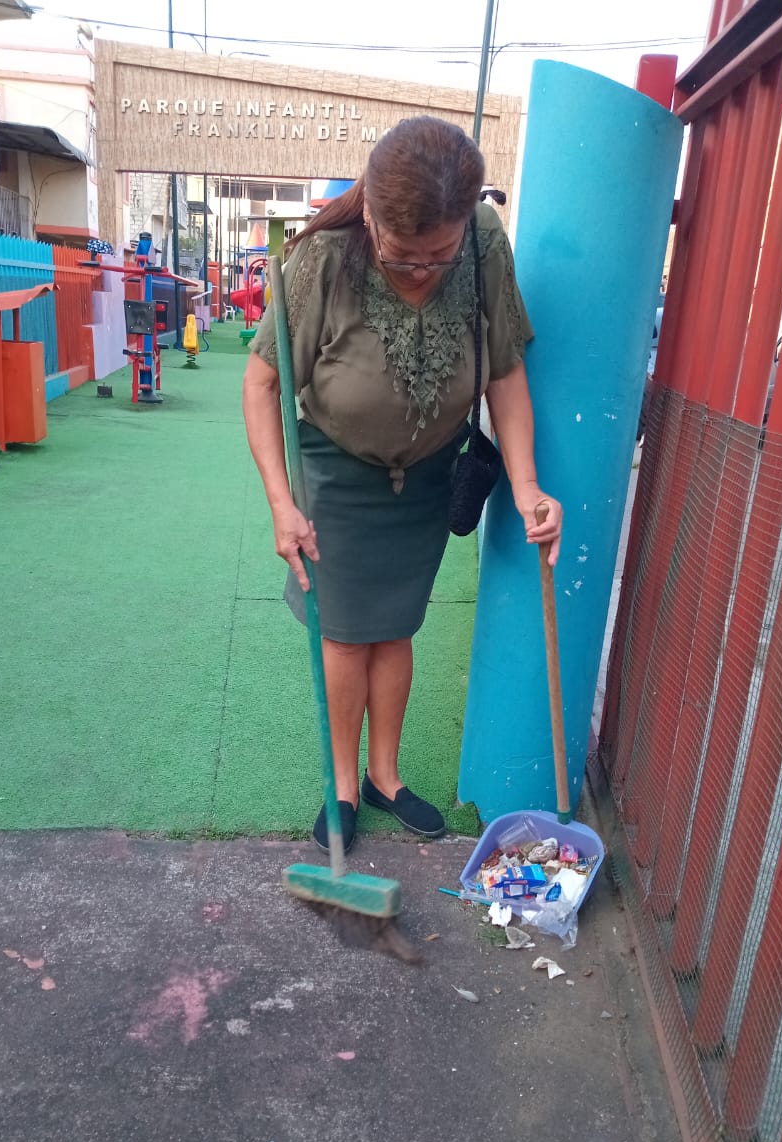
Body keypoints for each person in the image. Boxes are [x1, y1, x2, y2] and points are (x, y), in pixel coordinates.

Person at [242, 115, 562, 854]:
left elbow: (505, 370)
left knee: (396, 627)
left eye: (438, 255)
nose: (422, 269)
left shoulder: (483, 242)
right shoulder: (324, 257)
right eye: (403, 253)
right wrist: (281, 503)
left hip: (428, 477)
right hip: (338, 473)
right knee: (346, 634)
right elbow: (261, 384)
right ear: (373, 218)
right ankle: (342, 786)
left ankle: (384, 776)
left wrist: (526, 486)